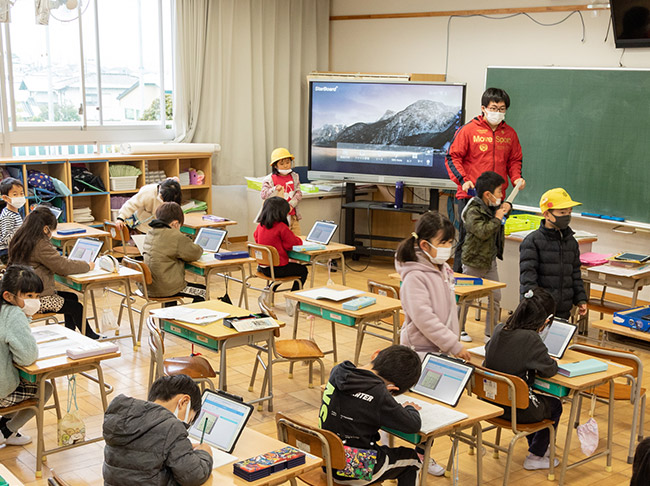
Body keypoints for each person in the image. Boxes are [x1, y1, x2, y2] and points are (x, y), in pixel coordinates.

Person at [445, 87, 525, 272]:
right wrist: (463, 180)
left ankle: (487, 285)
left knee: (492, 241)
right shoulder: (468, 130)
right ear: (483, 108)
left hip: (496, 198)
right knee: (467, 241)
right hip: (471, 196)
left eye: (502, 109)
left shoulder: (510, 134)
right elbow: (452, 157)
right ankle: (458, 285)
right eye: (494, 108)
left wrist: (516, 178)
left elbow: (515, 159)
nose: (498, 112)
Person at [319, 345, 423, 485]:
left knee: (383, 451)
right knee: (412, 460)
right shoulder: (378, 394)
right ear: (392, 388)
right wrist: (410, 408)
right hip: (354, 469)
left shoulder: (338, 371)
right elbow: (413, 425)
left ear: (376, 354)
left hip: (327, 459)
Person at [484, 287, 562, 471]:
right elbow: (549, 370)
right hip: (514, 409)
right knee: (554, 405)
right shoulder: (531, 339)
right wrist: (550, 360)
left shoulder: (499, 329)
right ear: (546, 321)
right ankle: (536, 454)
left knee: (533, 400)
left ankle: (538, 445)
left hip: (491, 401)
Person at [8, 206, 101, 339]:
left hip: (22, 293)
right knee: (76, 307)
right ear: (45, 229)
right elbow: (63, 266)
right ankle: (90, 337)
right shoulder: (40, 244)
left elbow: (57, 263)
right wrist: (87, 266)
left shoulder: (20, 238)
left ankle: (70, 333)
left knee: (72, 298)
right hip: (36, 299)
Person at [103, 374, 213, 485]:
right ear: (184, 402)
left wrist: (183, 448)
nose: (185, 426)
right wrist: (204, 452)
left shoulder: (121, 415)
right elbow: (193, 475)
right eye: (189, 421)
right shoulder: (171, 427)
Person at [0, 265, 53, 447]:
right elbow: (27, 357)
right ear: (8, 296)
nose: (35, 301)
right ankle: (6, 431)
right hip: (1, 390)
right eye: (29, 296)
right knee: (44, 388)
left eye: (37, 296)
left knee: (19, 380)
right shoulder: (13, 313)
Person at [520, 187, 588, 320]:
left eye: (569, 212)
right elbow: (528, 279)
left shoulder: (571, 242)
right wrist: (532, 305)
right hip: (539, 309)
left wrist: (580, 299)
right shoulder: (532, 242)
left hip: (563, 308)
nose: (567, 216)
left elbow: (575, 273)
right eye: (562, 212)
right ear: (546, 214)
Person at [460, 171, 511, 341]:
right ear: (487, 194)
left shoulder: (492, 205)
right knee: (466, 297)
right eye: (499, 192)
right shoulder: (473, 209)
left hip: (490, 260)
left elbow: (502, 212)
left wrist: (507, 207)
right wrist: (497, 218)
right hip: (474, 261)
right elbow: (482, 231)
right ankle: (458, 329)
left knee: (495, 297)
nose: (501, 196)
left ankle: (490, 333)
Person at [143, 202, 205, 302]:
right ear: (175, 223)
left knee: (170, 281)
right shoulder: (175, 236)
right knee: (204, 292)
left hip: (148, 286)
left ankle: (169, 315)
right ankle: (191, 317)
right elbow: (195, 253)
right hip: (165, 289)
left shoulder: (151, 232)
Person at [254, 196, 308, 291]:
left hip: (262, 267)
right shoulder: (281, 227)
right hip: (276, 269)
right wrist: (299, 240)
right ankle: (293, 297)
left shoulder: (260, 226)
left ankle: (270, 289)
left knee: (285, 269)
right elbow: (291, 245)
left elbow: (256, 239)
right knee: (303, 270)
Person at [260, 147, 303, 236]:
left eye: (288, 162)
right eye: (282, 163)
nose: (286, 165)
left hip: (292, 216)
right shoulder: (269, 179)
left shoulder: (295, 176)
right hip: (277, 218)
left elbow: (298, 193)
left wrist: (291, 205)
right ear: (275, 166)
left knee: (297, 240)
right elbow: (263, 195)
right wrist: (274, 189)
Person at [115, 178, 182, 233]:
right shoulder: (148, 192)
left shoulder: (173, 193)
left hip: (163, 227)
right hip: (145, 225)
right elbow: (131, 204)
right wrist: (121, 218)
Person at [0, 177, 25, 265]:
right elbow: (7, 238)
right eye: (15, 195)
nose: (20, 197)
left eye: (21, 193)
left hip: (14, 249)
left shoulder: (15, 212)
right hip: (8, 252)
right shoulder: (7, 215)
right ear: (5, 198)